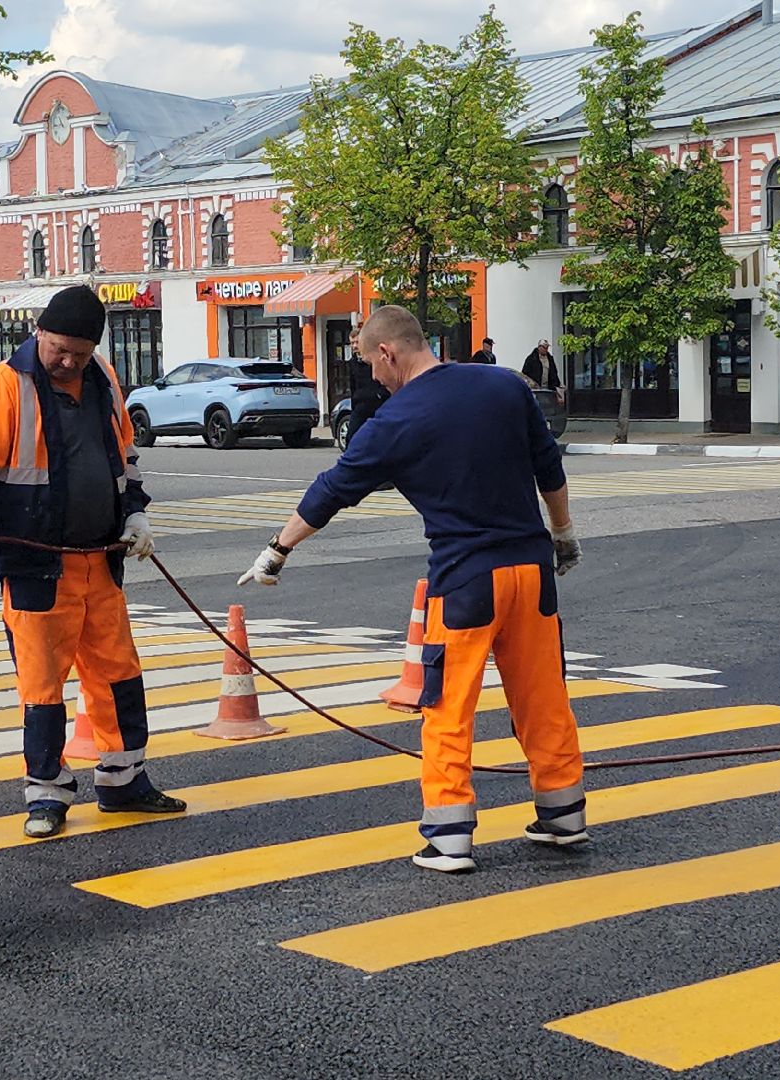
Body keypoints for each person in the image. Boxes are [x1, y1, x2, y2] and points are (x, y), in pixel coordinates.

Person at [238, 305, 585, 875]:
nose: (374, 378)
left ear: (388, 353)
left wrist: (276, 550)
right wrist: (564, 536)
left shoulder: (395, 420)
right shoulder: (504, 386)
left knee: (446, 706)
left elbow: (332, 490)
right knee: (544, 698)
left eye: (370, 365)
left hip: (466, 581)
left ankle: (449, 839)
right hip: (531, 573)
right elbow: (549, 468)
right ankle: (564, 815)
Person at [0, 284, 186, 839]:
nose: (69, 362)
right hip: (35, 567)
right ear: (39, 334)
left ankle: (124, 782)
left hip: (100, 560)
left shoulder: (103, 379)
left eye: (80, 352)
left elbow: (124, 458)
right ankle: (47, 794)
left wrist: (136, 515)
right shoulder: (5, 384)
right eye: (59, 350)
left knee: (118, 676)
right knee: (42, 688)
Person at [347, 339, 389, 445]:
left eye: (357, 342)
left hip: (376, 404)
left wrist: (379, 395)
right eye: (352, 343)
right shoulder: (352, 362)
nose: (354, 346)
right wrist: (354, 402)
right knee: (352, 437)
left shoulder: (375, 359)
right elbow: (352, 384)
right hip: (360, 405)